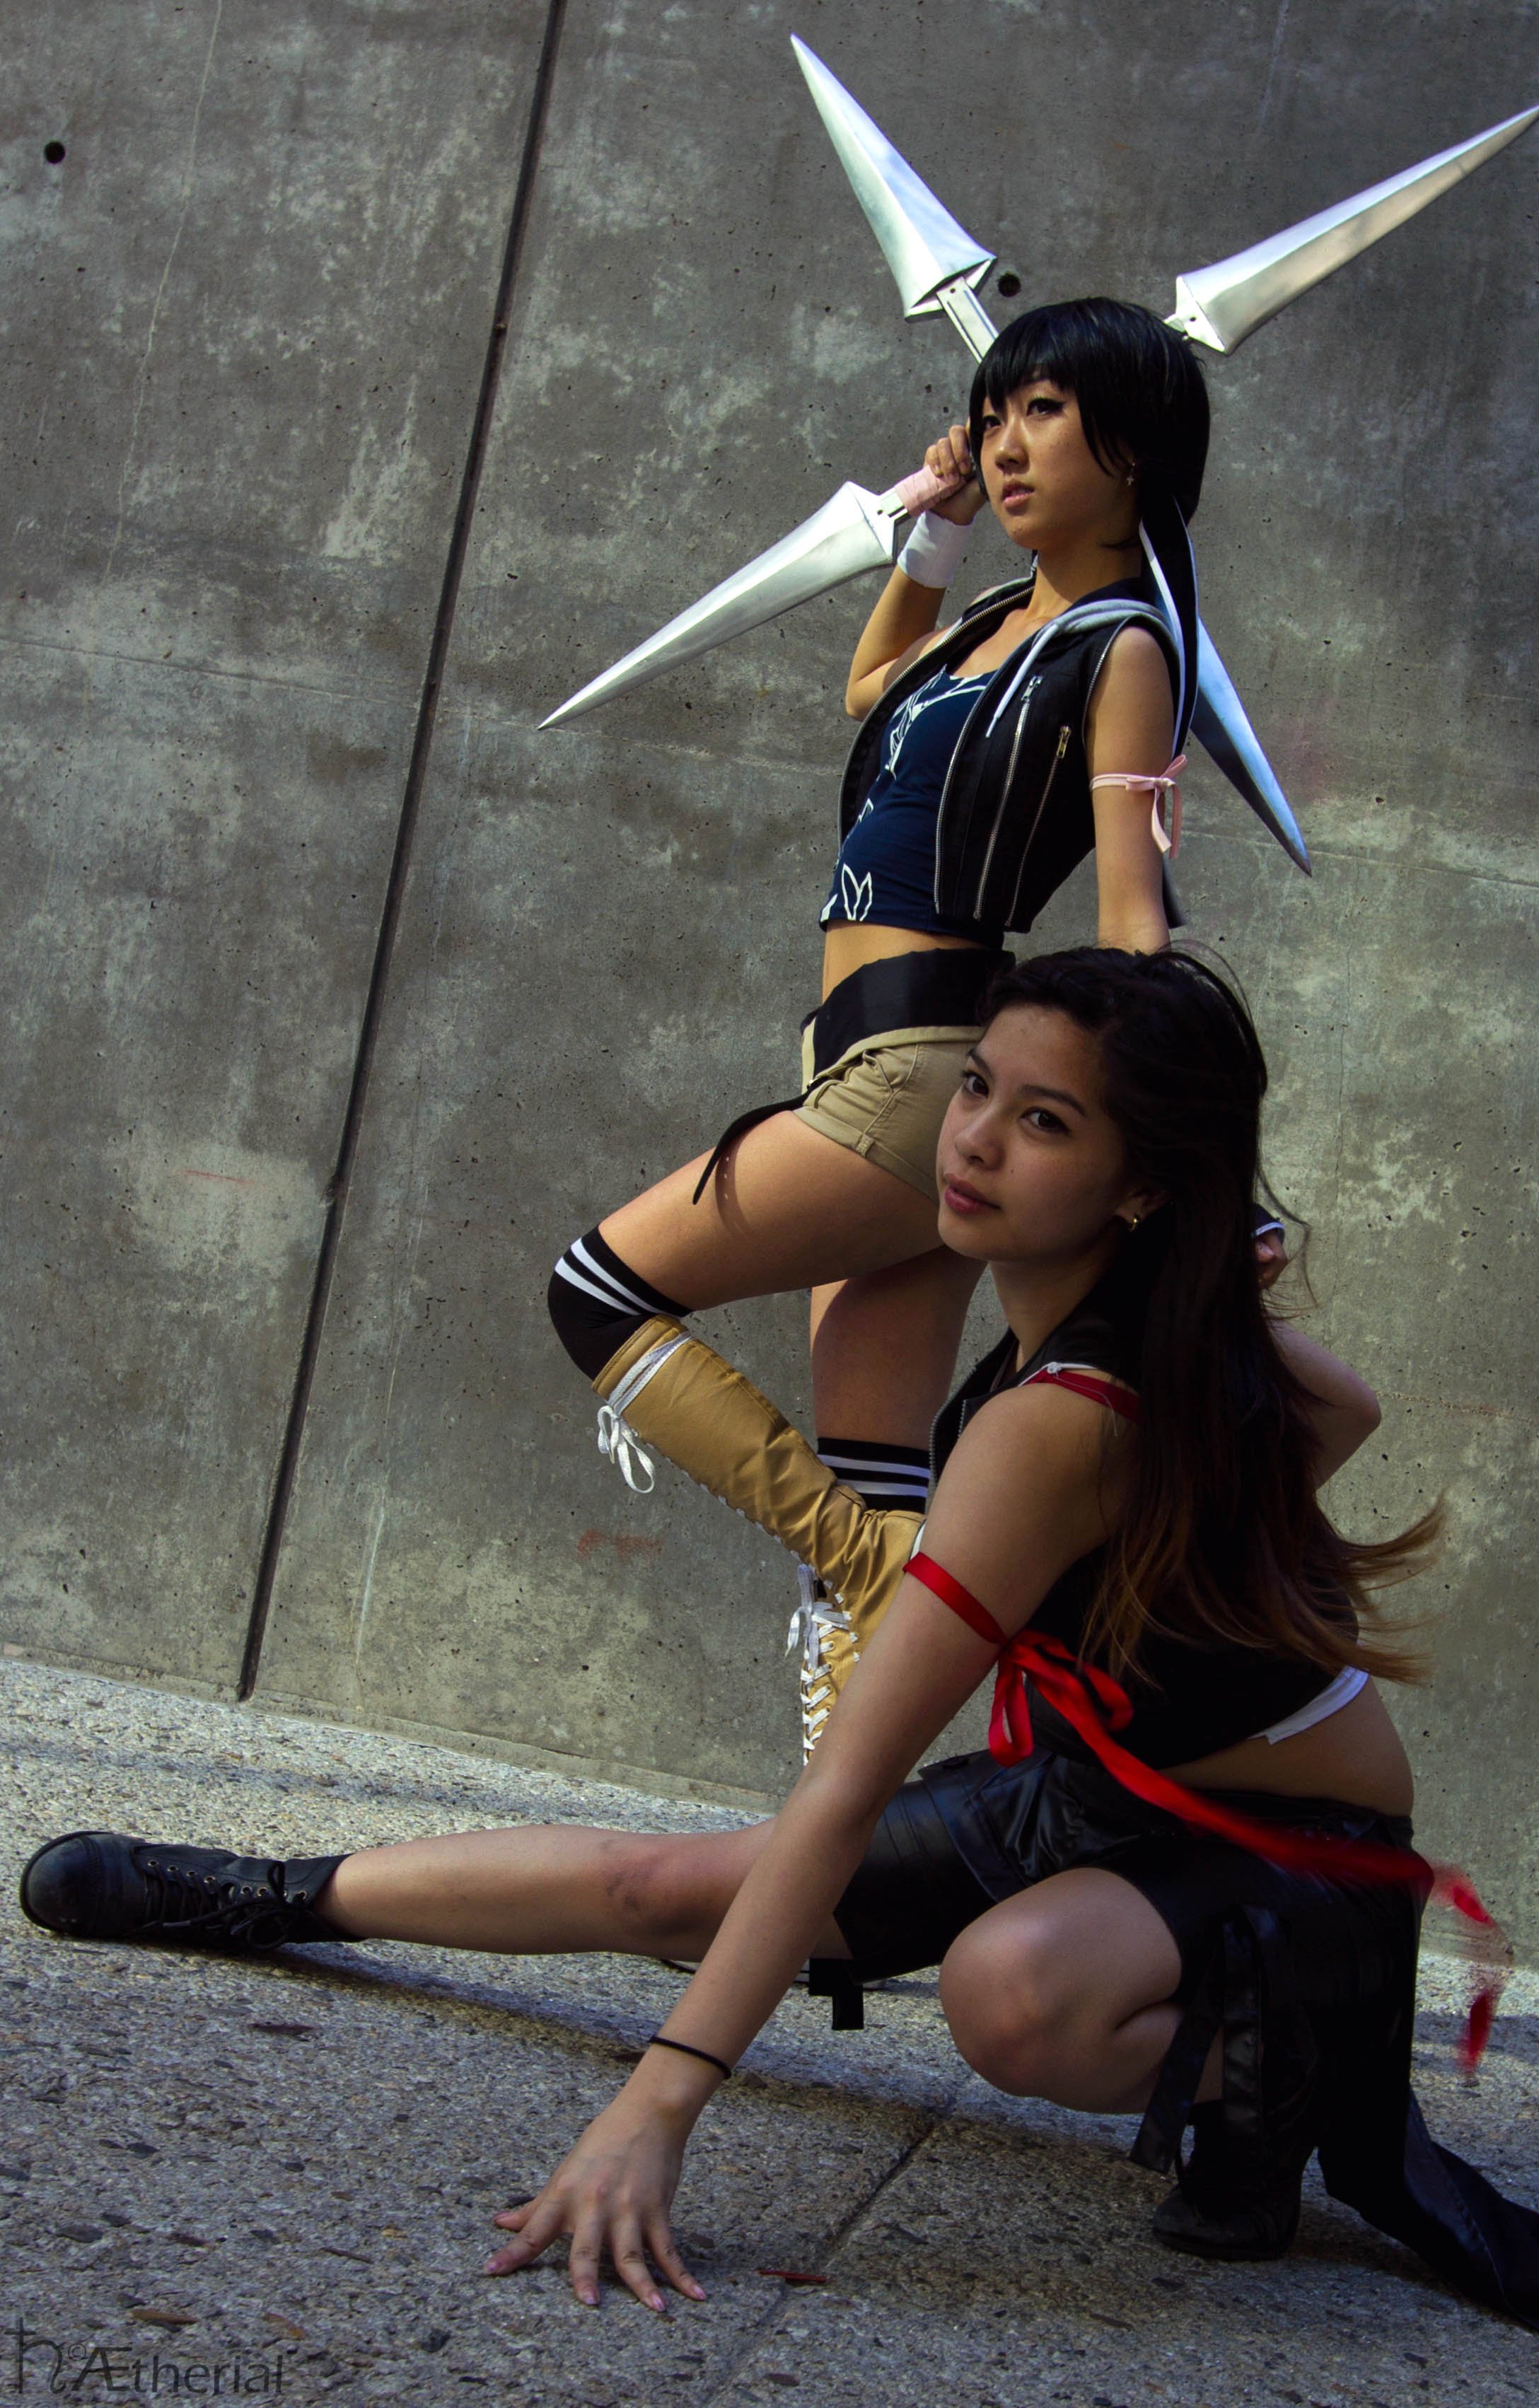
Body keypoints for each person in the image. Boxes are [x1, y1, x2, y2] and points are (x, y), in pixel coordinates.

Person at [23, 948, 1537, 2323]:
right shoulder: (1110, 1344)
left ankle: (1281, 2066)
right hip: (1098, 1794)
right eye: (974, 1088)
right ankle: (255, 1894)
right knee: (662, 1886)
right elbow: (1344, 1408)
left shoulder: (1064, 1419)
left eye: (1044, 1122)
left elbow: (844, 1790)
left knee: (1009, 1994)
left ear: (1142, 1182)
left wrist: (659, 2103)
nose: (971, 1141)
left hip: (1298, 1853)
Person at [547, 296, 1248, 1751]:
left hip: (923, 1070)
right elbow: (873, 686)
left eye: (1042, 413)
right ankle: (842, 1835)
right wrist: (931, 531)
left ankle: (887, 1572)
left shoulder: (1123, 649)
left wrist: (1200, 1153)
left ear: (1132, 450)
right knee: (875, 1464)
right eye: (993, 417)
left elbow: (1135, 915)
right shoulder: (994, 623)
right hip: (858, 1055)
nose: (1004, 445)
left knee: (598, 1291)